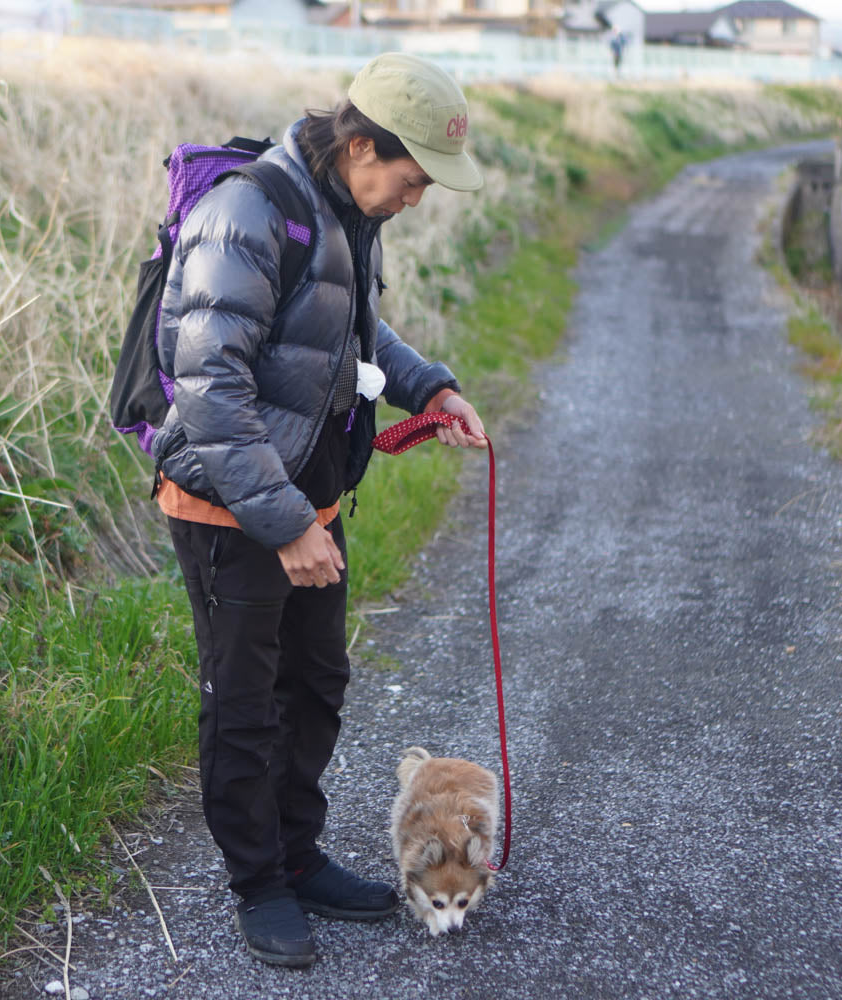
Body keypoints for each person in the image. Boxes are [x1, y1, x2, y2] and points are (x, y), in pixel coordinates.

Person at [149, 52, 487, 968]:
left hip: (309, 498)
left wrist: (430, 389)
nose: (415, 201)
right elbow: (208, 384)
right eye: (412, 181)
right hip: (233, 505)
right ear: (361, 144)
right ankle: (259, 885)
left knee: (317, 685)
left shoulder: (346, 208)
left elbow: (349, 330)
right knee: (247, 704)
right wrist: (287, 523)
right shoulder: (249, 213)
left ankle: (297, 858)